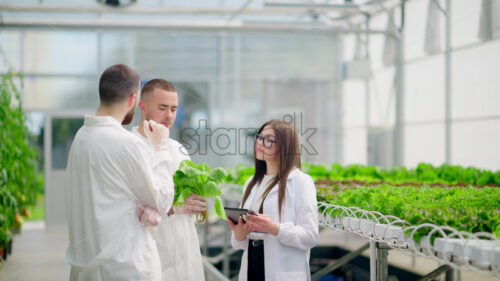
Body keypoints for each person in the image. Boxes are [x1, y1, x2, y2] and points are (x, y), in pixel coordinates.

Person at [65, 64, 175, 281]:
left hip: (86, 268)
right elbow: (162, 201)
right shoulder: (126, 143)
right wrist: (161, 148)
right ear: (134, 100)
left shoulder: (81, 137)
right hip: (126, 266)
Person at [131, 78, 206, 281]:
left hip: (183, 245)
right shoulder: (130, 148)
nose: (169, 116)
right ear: (143, 106)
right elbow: (131, 206)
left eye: (174, 109)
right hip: (150, 249)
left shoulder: (178, 148)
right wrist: (174, 208)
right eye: (163, 108)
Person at [228, 119, 319, 281]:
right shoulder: (252, 182)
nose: (260, 143)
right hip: (252, 265)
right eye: (259, 137)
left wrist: (275, 228)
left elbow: (310, 236)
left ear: (286, 146)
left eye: (269, 140)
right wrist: (239, 234)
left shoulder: (301, 182)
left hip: (283, 270)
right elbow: (239, 244)